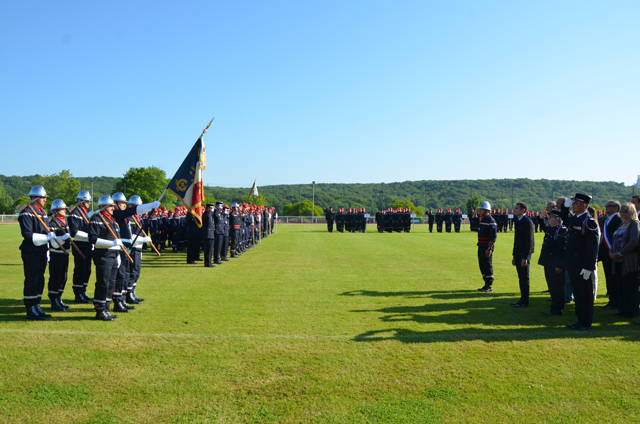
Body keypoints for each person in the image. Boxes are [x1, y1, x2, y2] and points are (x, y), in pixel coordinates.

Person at [19, 185, 60, 320]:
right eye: (42, 197)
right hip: (31, 250)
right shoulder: (26, 212)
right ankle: (30, 307)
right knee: (32, 279)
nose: (45, 200)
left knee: (40, 279)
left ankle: (37, 305)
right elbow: (27, 235)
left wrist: (48, 241)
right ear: (34, 198)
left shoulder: (42, 212)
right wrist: (46, 237)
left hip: (42, 249)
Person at [563, 193, 599, 331]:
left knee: (585, 295)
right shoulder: (576, 219)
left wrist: (589, 267)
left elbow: (592, 247)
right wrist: (565, 207)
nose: (573, 204)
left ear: (583, 205)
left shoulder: (588, 222)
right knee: (577, 293)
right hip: (573, 264)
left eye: (575, 203)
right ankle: (580, 320)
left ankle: (586, 322)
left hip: (582, 265)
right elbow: (565, 219)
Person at [88, 195, 124, 321]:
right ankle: (99, 309)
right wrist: (111, 243)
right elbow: (92, 239)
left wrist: (117, 252)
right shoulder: (96, 219)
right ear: (103, 206)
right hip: (103, 255)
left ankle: (106, 309)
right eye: (110, 206)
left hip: (113, 255)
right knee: (103, 283)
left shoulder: (112, 219)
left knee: (110, 283)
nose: (113, 208)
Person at [609, 203, 640, 319]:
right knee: (620, 286)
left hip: (628, 260)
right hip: (617, 260)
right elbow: (614, 239)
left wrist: (620, 253)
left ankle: (631, 311)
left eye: (625, 211)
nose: (622, 213)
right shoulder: (622, 224)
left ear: (631, 211)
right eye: (621, 211)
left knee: (630, 286)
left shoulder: (634, 224)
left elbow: (634, 241)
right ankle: (622, 309)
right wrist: (611, 252)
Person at [538, 209, 567, 316]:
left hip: (555, 263)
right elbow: (543, 227)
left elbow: (561, 249)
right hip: (548, 262)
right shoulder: (551, 229)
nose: (548, 219)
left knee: (557, 286)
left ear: (557, 219)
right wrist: (541, 219)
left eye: (550, 217)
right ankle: (554, 307)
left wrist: (559, 264)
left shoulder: (561, 230)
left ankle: (558, 308)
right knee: (551, 286)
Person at [67, 190, 94, 303]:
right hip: (79, 245)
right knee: (80, 269)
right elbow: (74, 232)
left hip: (87, 245)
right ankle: (78, 293)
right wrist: (90, 237)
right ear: (80, 200)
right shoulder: (75, 213)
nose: (88, 203)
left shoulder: (85, 213)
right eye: (86, 201)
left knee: (87, 269)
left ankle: (83, 291)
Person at [47, 199, 72, 312]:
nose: (65, 210)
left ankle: (59, 298)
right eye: (62, 209)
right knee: (56, 278)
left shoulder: (64, 222)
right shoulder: (53, 223)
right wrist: (62, 238)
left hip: (64, 253)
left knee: (63, 277)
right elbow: (53, 243)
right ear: (56, 210)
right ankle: (54, 300)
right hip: (56, 254)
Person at [511, 202, 534, 307]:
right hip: (518, 254)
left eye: (517, 208)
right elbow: (516, 240)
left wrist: (526, 257)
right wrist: (514, 256)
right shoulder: (518, 221)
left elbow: (530, 242)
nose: (514, 210)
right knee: (521, 278)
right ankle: (522, 299)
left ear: (523, 210)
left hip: (524, 255)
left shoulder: (527, 222)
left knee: (524, 278)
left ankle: (525, 301)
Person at [476, 201, 497, 292]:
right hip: (481, 245)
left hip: (486, 246)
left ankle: (489, 285)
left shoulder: (491, 221)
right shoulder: (483, 219)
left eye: (481, 210)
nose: (480, 211)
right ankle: (485, 284)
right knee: (482, 265)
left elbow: (493, 237)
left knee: (487, 265)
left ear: (487, 211)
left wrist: (490, 248)